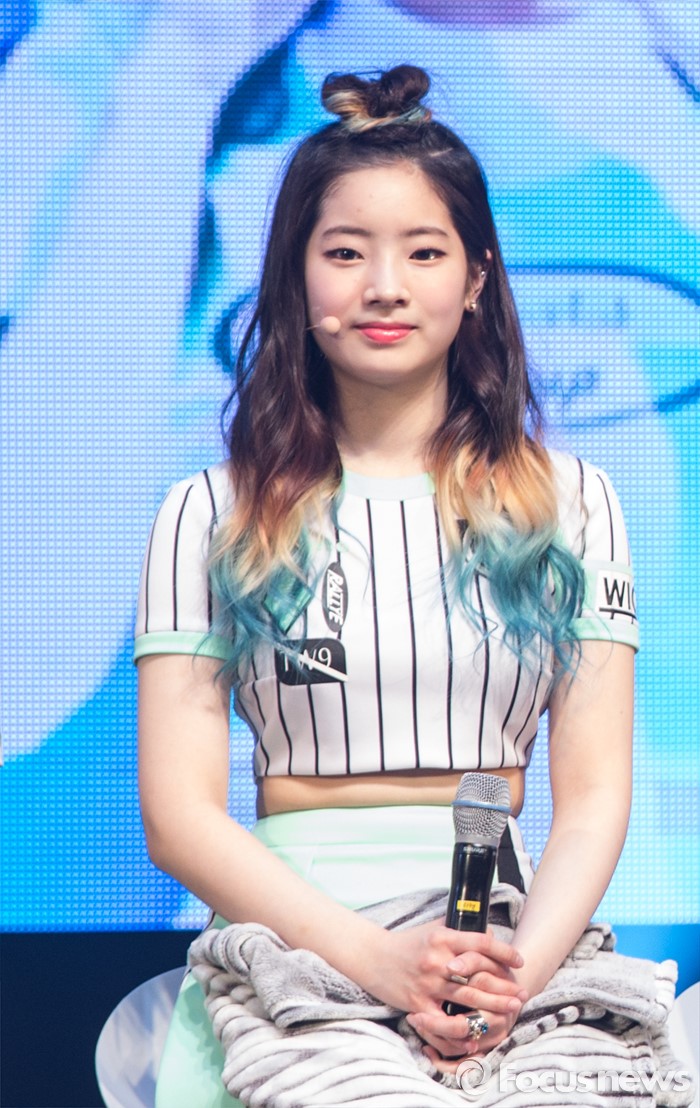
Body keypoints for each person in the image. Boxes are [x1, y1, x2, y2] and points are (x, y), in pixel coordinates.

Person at [135, 66, 638, 1107]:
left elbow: (593, 798)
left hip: (508, 947)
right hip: (293, 945)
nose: (384, 286)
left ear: (476, 278)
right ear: (295, 277)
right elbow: (179, 817)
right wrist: (378, 963)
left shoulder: (575, 504)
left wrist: (508, 983)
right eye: (344, 252)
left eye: (423, 251)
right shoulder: (209, 511)